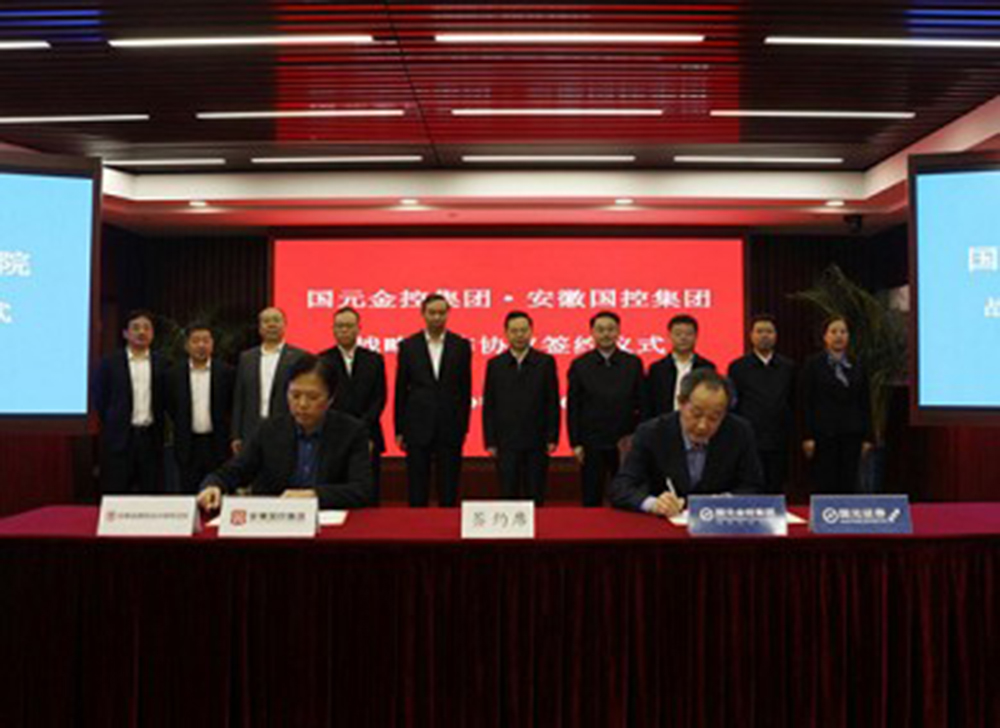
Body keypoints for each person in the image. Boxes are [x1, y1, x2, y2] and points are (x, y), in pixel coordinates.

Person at [197, 354, 373, 512]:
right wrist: (214, 485)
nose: (302, 404)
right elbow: (234, 471)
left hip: (328, 524)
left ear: (330, 399)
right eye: (295, 395)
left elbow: (362, 490)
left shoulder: (351, 431)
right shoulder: (269, 430)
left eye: (312, 397)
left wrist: (314, 495)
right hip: (276, 522)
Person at [610, 368, 764, 516]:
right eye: (696, 414)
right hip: (665, 524)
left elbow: (752, 486)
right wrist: (654, 504)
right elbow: (621, 488)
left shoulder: (739, 432)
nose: (702, 425)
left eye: (714, 418)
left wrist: (724, 501)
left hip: (716, 525)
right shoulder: (652, 432)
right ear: (681, 403)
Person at [394, 293, 473, 507]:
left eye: (441, 313)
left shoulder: (461, 346)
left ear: (448, 314)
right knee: (417, 487)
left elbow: (465, 390)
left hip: (450, 425)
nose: (437, 317)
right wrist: (399, 429)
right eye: (432, 313)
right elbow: (401, 390)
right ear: (423, 314)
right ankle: (416, 525)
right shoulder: (408, 346)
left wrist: (463, 426)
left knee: (449, 487)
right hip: (417, 426)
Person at [567, 311, 644, 507]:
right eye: (600, 330)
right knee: (591, 496)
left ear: (618, 332)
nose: (606, 334)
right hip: (591, 441)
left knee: (625, 495)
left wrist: (639, 438)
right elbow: (574, 406)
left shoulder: (633, 363)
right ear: (592, 333)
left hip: (625, 441)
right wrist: (575, 442)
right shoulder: (580, 365)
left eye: (611, 329)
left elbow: (643, 403)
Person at [482, 311, 560, 504]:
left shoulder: (545, 362)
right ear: (506, 333)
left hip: (537, 440)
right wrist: (490, 440)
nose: (519, 335)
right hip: (506, 441)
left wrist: (552, 437)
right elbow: (489, 405)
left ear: (531, 332)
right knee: (508, 492)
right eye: (514, 331)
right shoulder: (496, 364)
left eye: (523, 330)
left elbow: (552, 402)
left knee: (535, 493)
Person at [94, 309, 168, 494]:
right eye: (136, 328)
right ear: (125, 333)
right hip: (120, 439)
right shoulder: (109, 363)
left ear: (152, 333)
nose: (141, 332)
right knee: (116, 493)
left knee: (151, 494)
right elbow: (101, 399)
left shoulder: (162, 363)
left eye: (146, 328)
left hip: (151, 439)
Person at [319, 307, 387, 505]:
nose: (344, 330)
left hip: (368, 432)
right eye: (340, 326)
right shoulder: (322, 360)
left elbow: (379, 398)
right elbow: (323, 397)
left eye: (349, 326)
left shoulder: (374, 359)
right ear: (333, 329)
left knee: (369, 487)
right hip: (334, 433)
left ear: (358, 328)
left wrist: (362, 428)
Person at [800, 315, 873, 494]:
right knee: (825, 483)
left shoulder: (858, 365)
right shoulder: (813, 364)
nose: (838, 336)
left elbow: (865, 402)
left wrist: (868, 437)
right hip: (823, 434)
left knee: (849, 483)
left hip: (852, 433)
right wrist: (807, 436)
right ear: (825, 337)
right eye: (833, 332)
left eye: (843, 332)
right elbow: (805, 402)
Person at [727, 314, 796, 494]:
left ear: (776, 336)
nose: (764, 335)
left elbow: (794, 401)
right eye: (759, 331)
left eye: (769, 331)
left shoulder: (788, 366)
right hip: (749, 436)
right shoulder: (738, 367)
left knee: (776, 484)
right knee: (751, 484)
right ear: (751, 335)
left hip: (779, 436)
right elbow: (733, 403)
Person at [166, 322, 235, 494]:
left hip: (217, 444)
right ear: (187, 345)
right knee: (188, 492)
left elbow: (231, 407)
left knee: (217, 491)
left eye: (205, 340)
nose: (201, 345)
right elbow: (171, 408)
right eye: (196, 341)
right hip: (187, 445)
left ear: (212, 344)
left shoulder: (227, 373)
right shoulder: (173, 375)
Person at [231, 306, 306, 454]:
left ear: (284, 325)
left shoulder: (299, 357)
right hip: (251, 429)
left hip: (286, 428)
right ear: (260, 328)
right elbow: (240, 397)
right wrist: (236, 434)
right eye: (266, 321)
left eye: (276, 320)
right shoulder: (246, 358)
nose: (271, 324)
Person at [645, 314, 716, 418]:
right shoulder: (657, 369)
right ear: (669, 335)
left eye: (688, 334)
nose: (683, 338)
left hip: (697, 422)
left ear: (696, 336)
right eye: (678, 334)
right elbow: (649, 403)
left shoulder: (706, 368)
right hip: (664, 422)